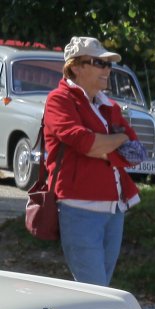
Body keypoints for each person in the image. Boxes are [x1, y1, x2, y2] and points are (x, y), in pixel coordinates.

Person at [43, 36, 143, 287]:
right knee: (95, 290)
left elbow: (136, 153)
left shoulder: (109, 106)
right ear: (76, 67)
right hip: (79, 209)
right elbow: (85, 143)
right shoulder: (59, 99)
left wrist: (106, 145)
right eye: (99, 63)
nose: (107, 69)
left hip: (115, 210)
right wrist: (117, 141)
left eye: (109, 64)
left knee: (101, 291)